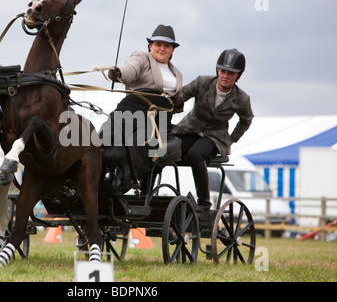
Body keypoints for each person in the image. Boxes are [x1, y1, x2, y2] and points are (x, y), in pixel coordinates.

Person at [101, 24, 184, 194]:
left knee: (138, 147)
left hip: (158, 117)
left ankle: (116, 189)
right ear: (150, 46)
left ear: (172, 50)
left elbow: (176, 105)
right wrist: (118, 73)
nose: (162, 48)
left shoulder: (177, 73)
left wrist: (178, 103)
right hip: (132, 107)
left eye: (167, 45)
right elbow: (130, 70)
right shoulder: (142, 57)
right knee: (102, 141)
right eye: (158, 44)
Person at [172, 49, 254, 220]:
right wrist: (173, 102)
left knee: (195, 153)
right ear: (217, 70)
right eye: (222, 71)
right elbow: (181, 97)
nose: (225, 75)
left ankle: (203, 204)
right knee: (164, 148)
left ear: (238, 75)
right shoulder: (202, 82)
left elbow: (246, 120)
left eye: (231, 73)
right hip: (189, 129)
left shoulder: (242, 99)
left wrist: (231, 141)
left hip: (214, 137)